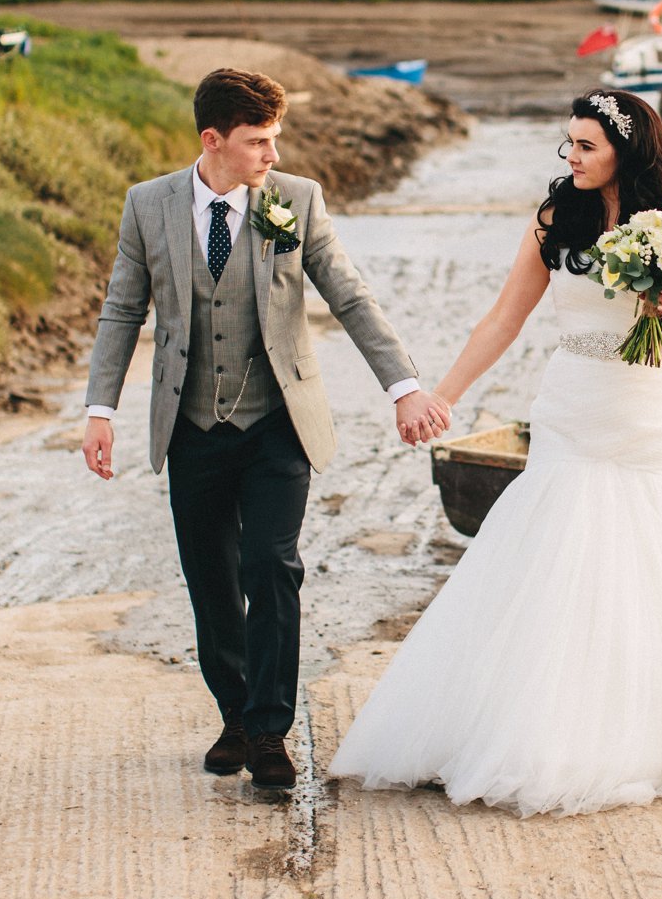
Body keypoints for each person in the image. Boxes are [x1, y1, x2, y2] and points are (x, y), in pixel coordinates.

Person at [327, 88, 662, 817]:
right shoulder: (556, 217)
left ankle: (661, 726)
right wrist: (442, 394)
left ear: (626, 149)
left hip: (647, 406)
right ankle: (540, 727)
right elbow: (502, 319)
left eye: (585, 145)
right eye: (569, 144)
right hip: (573, 404)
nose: (571, 157)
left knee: (658, 549)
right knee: (556, 550)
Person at [79, 68, 450, 791]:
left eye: (275, 139)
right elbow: (123, 310)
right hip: (190, 423)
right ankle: (236, 715)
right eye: (258, 142)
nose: (272, 156)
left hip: (278, 420)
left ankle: (272, 729)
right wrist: (100, 409)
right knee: (211, 577)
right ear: (212, 141)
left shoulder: (295, 200)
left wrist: (403, 386)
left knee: (272, 567)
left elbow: (348, 293)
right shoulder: (148, 206)